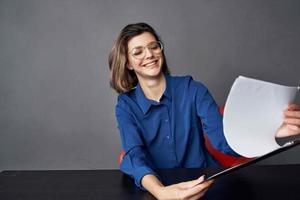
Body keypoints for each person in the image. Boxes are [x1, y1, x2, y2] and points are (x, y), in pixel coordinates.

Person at [108, 22, 300, 200]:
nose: (149, 55)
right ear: (128, 63)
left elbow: (224, 141)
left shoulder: (193, 89)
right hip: (158, 186)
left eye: (154, 46)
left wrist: (273, 130)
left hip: (205, 183)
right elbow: (134, 155)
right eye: (138, 52)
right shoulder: (125, 105)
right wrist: (161, 192)